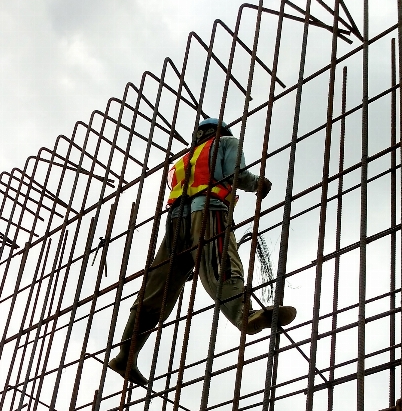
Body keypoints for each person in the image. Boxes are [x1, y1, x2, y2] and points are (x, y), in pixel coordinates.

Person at [108, 118, 297, 386]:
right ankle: (246, 316)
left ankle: (126, 354)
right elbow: (236, 175)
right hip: (208, 210)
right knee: (219, 262)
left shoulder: (184, 159)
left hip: (176, 220)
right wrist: (259, 184)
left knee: (157, 289)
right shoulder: (227, 142)